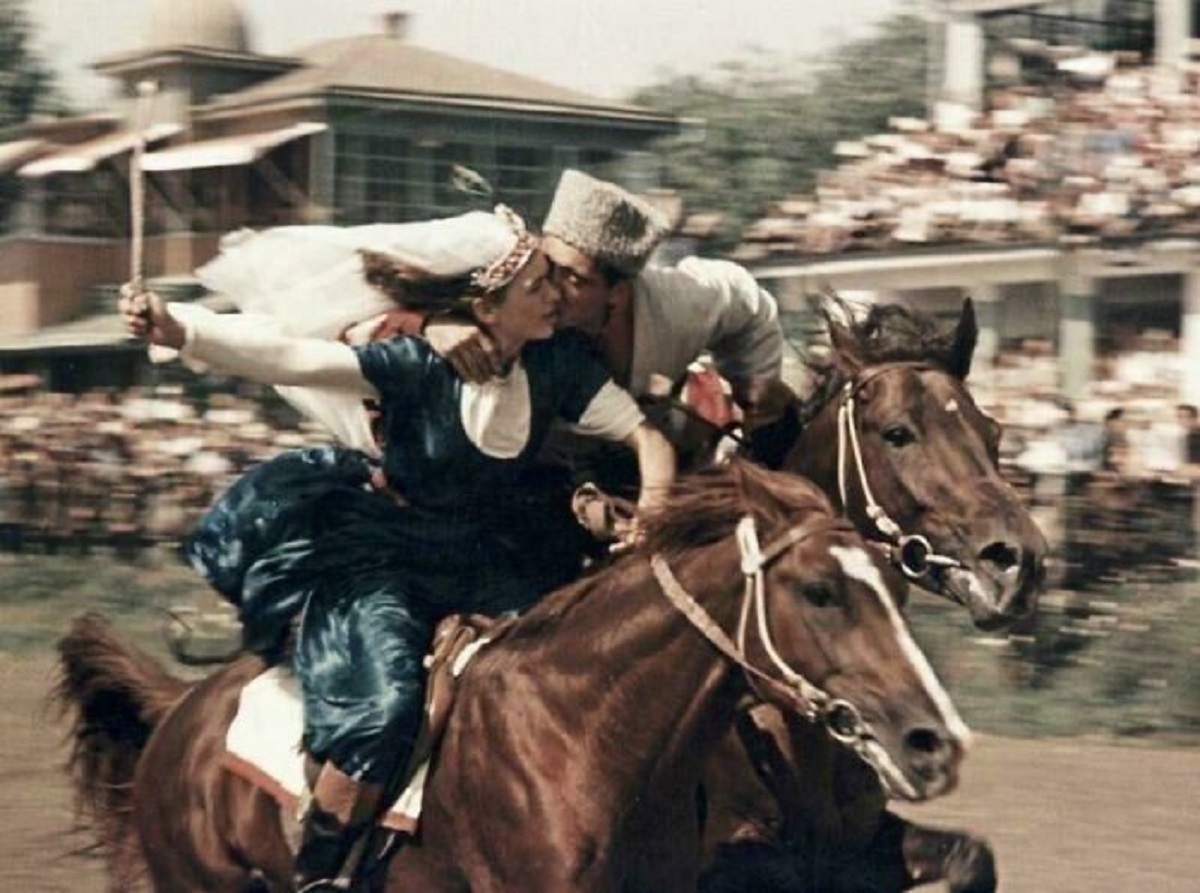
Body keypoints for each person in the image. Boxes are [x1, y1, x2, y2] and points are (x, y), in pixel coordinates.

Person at [119, 207, 676, 891]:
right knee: (385, 707)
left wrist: (651, 512)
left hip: (479, 557)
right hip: (383, 559)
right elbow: (295, 358)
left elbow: (648, 439)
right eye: (538, 286)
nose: (556, 296)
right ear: (487, 306)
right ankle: (322, 870)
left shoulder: (557, 364)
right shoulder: (416, 366)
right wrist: (180, 328)